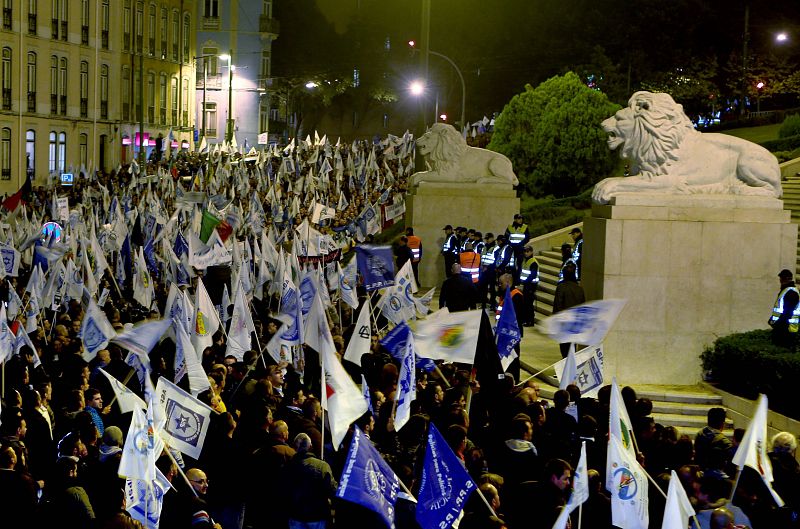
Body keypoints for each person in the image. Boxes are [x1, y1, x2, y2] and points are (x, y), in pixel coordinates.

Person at [283, 433, 338, 529]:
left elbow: (283, 491)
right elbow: (332, 490)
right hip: (317, 516)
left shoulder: (288, 466)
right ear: (310, 446)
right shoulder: (322, 466)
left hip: (295, 516)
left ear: (295, 448)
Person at [553, 262, 585, 357]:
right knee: (572, 347)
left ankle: (566, 367)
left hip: (564, 323)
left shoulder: (561, 287)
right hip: (575, 324)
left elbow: (557, 306)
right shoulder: (579, 289)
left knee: (564, 349)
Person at [769, 268, 800, 349]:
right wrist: (772, 320)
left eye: (781, 278)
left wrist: (777, 324)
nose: (780, 281)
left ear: (785, 279)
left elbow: (787, 313)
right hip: (785, 328)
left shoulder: (791, 292)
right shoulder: (787, 290)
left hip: (787, 329)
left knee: (783, 348)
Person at [519, 246, 539, 326]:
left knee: (529, 304)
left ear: (531, 252)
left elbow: (533, 275)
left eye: (527, 251)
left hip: (531, 285)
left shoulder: (533, 262)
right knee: (526, 303)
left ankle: (530, 321)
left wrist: (525, 281)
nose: (526, 253)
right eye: (525, 252)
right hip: (526, 285)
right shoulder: (525, 261)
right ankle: (526, 320)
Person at [504, 214, 529, 280]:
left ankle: (517, 279)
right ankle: (512, 277)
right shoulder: (510, 227)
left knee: (519, 264)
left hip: (520, 248)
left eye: (521, 218)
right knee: (511, 263)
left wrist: (520, 244)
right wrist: (510, 244)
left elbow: (527, 238)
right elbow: (506, 237)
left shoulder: (525, 227)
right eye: (519, 218)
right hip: (511, 248)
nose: (520, 220)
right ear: (515, 219)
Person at [479, 233, 498, 309]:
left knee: (492, 289)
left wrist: (488, 267)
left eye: (488, 238)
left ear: (492, 238)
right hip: (484, 271)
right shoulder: (484, 247)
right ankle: (483, 304)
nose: (486, 240)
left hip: (491, 271)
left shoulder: (496, 248)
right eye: (486, 239)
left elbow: (496, 261)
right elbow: (482, 258)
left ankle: (493, 305)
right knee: (483, 289)